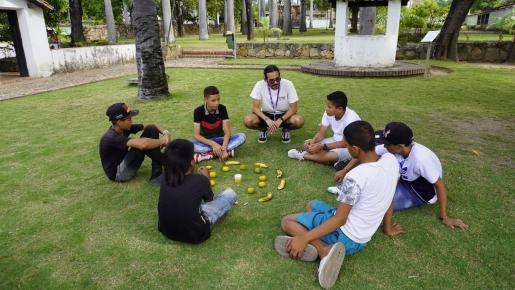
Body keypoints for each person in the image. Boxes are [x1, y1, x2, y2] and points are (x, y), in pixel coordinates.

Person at [274, 121, 403, 289]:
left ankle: (323, 250)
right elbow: (389, 197)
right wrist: (387, 228)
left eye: (347, 145)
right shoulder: (390, 161)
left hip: (344, 236)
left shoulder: (356, 177)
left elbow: (341, 219)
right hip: (363, 237)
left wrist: (304, 239)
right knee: (312, 205)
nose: (346, 148)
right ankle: (319, 241)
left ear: (355, 149)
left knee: (287, 222)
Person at [373, 122, 468, 229]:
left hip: (418, 192)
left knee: (378, 201)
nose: (384, 146)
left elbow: (439, 185)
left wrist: (445, 217)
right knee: (374, 190)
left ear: (400, 146)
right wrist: (349, 170)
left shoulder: (421, 159)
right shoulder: (398, 148)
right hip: (406, 179)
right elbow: (370, 151)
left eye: (387, 144)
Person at [158, 139, 237, 244]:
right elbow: (209, 199)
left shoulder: (164, 177)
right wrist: (206, 179)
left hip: (166, 230)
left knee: (185, 201)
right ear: (192, 162)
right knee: (230, 194)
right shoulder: (200, 180)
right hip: (197, 233)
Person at [287, 91, 360, 170]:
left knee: (329, 155)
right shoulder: (328, 113)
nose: (326, 109)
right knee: (311, 147)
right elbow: (321, 134)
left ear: (339, 109)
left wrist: (323, 146)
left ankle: (303, 155)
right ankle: (334, 161)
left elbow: (344, 143)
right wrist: (313, 141)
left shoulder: (351, 119)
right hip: (335, 140)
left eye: (329, 107)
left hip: (351, 147)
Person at [99, 102, 170, 183]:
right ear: (119, 122)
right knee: (141, 143)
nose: (131, 122)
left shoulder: (123, 128)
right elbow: (143, 144)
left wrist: (166, 133)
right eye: (128, 119)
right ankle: (170, 164)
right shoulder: (111, 137)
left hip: (125, 162)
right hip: (119, 174)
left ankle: (157, 173)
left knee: (151, 129)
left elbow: (153, 125)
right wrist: (164, 140)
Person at [243, 65, 304, 144]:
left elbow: (294, 108)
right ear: (266, 79)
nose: (275, 82)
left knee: (299, 121)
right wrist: (266, 119)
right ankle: (263, 129)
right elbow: (255, 108)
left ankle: (286, 129)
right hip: (266, 114)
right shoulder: (259, 84)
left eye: (277, 79)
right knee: (248, 120)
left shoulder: (288, 84)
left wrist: (280, 120)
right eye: (271, 80)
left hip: (284, 115)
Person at [191, 86, 246, 162]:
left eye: (218, 99)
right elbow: (196, 135)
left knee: (242, 136)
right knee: (189, 145)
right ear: (205, 99)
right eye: (213, 100)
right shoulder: (198, 111)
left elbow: (227, 132)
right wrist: (213, 144)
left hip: (221, 139)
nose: (217, 103)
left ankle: (210, 154)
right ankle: (226, 151)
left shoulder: (222, 108)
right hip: (206, 141)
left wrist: (223, 148)